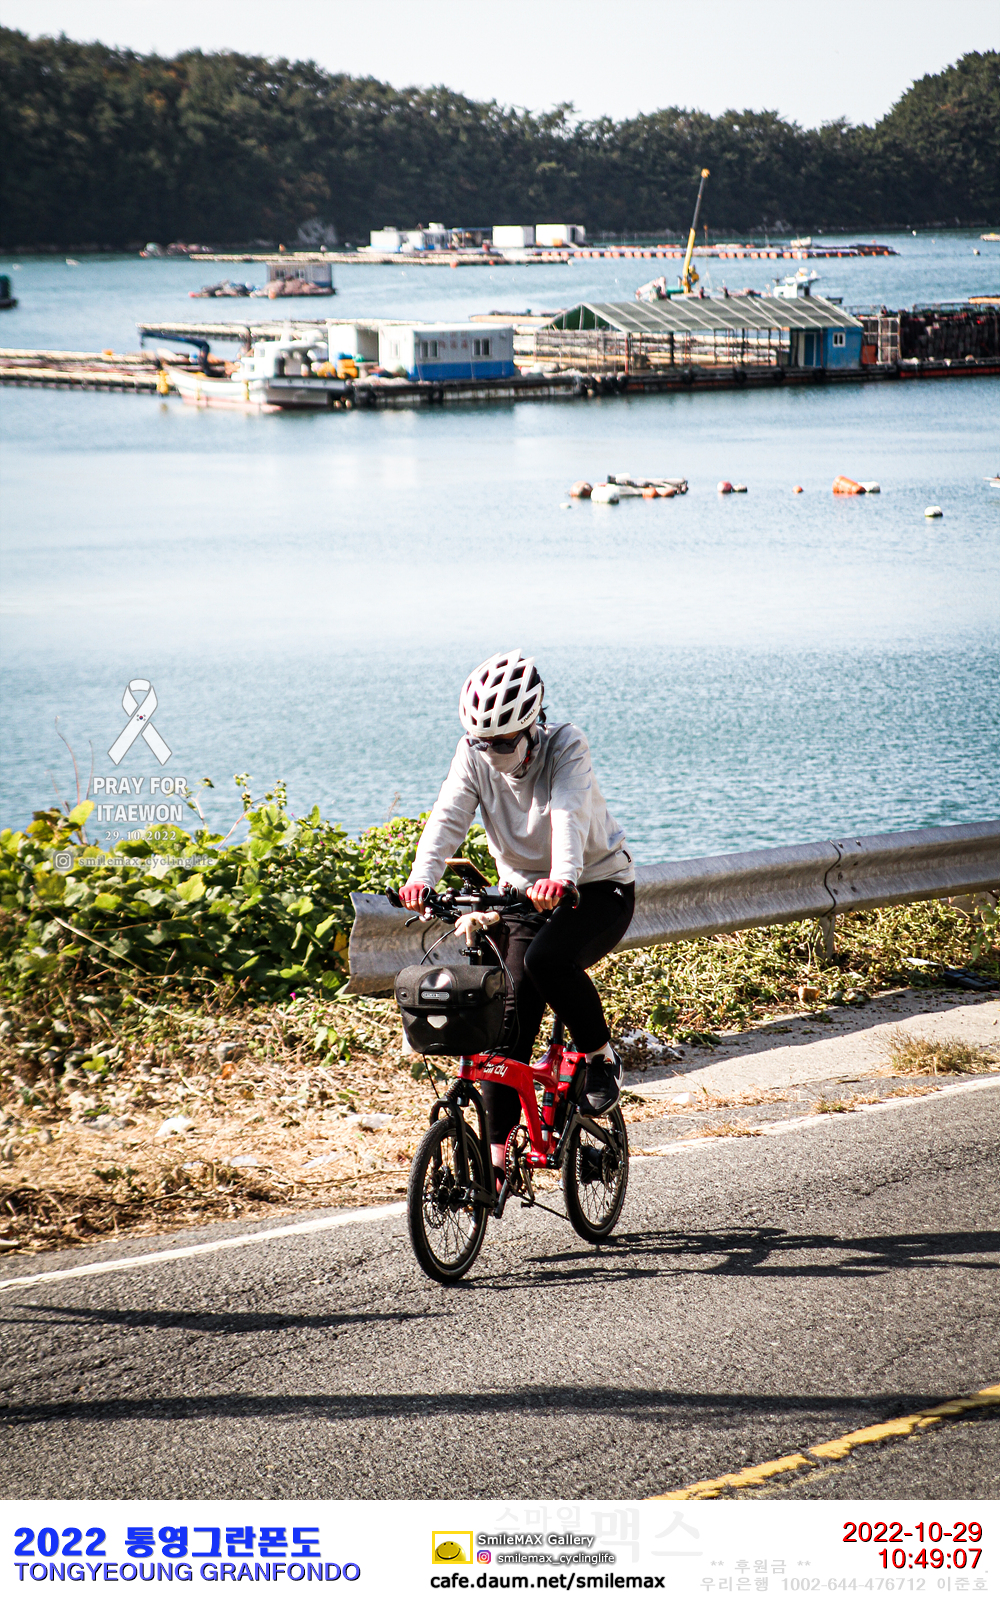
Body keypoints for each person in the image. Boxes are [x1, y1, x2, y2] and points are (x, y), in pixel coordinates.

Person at [400, 649, 635, 1187]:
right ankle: (496, 1162)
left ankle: (599, 1058)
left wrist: (563, 877)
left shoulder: (566, 745)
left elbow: (568, 812)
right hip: (526, 896)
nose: (492, 753)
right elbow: (448, 816)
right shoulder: (473, 755)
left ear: (532, 728)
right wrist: (421, 879)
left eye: (503, 743)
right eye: (483, 742)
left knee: (547, 960)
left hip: (597, 888)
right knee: (506, 1026)